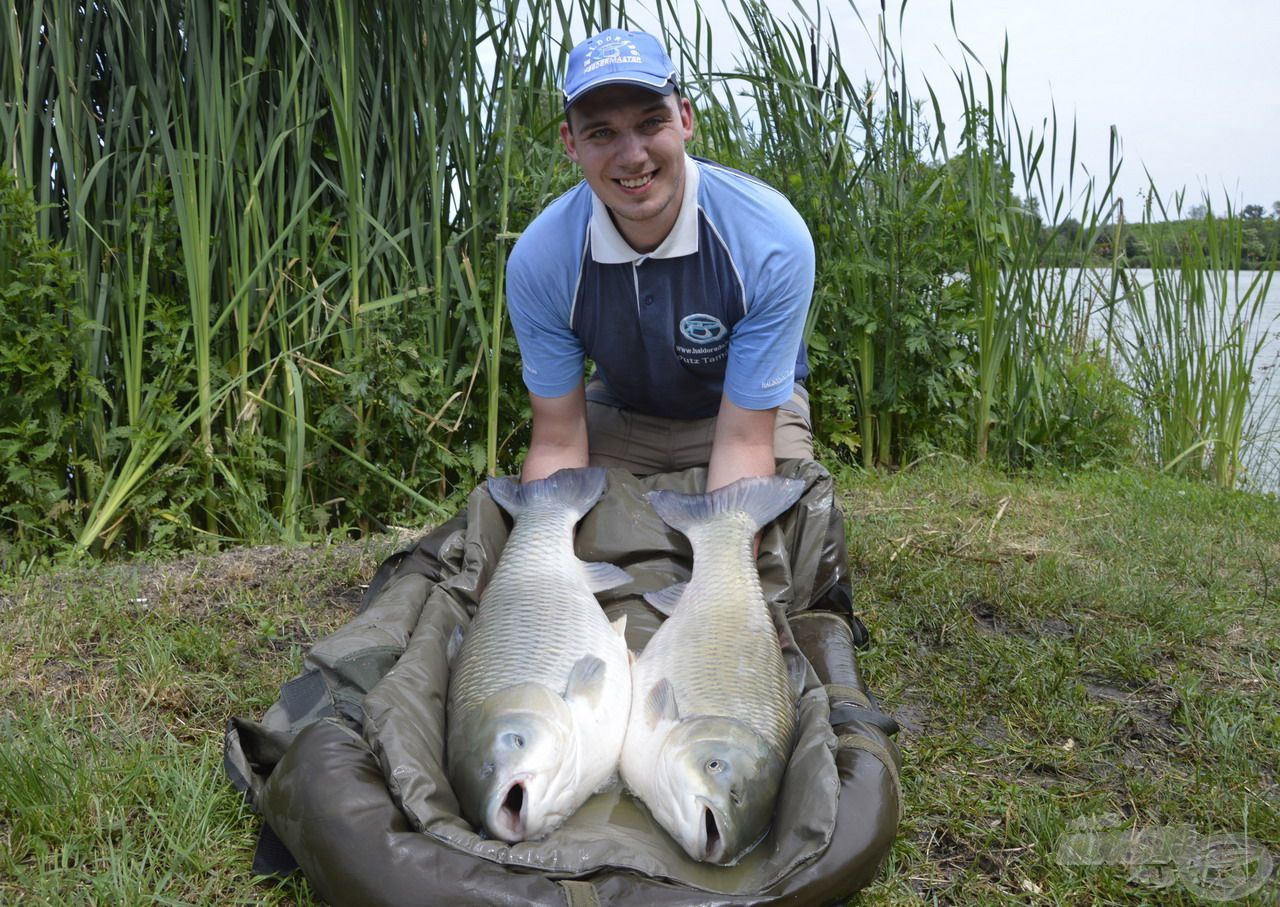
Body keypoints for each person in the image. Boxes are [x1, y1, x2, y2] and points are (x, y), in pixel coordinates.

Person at [506, 28, 816, 491]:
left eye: (651, 123)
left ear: (685, 118)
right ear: (571, 144)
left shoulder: (771, 237)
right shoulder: (541, 258)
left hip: (748, 411)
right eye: (602, 132)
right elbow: (557, 440)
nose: (632, 157)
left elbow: (744, 442)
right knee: (561, 520)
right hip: (624, 409)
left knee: (780, 531)